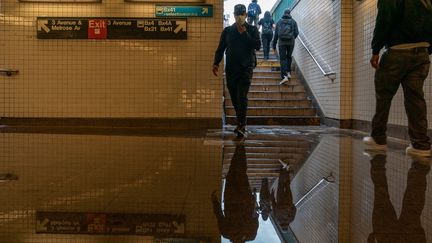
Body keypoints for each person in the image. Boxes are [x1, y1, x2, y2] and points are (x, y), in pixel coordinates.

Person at [363, 0, 432, 157]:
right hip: (421, 53)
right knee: (416, 99)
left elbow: (384, 20)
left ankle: (378, 138)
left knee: (384, 96)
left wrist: (375, 50)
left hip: (397, 51)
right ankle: (421, 145)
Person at [213, 4, 261, 138]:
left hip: (246, 69)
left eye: (242, 14)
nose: (239, 16)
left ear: (246, 15)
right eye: (237, 14)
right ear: (234, 15)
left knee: (242, 96)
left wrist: (244, 34)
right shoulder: (227, 31)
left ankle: (241, 125)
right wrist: (216, 62)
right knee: (234, 97)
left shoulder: (252, 29)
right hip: (231, 70)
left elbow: (257, 45)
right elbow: (221, 47)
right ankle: (240, 121)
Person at [365, 151, 429, 242]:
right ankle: (377, 152)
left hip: (401, 238)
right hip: (387, 237)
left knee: (412, 205)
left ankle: (421, 160)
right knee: (381, 193)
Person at [211, 144, 259, 243]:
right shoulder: (226, 233)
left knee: (242, 173)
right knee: (232, 173)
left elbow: (255, 217)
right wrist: (215, 201)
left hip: (245, 198)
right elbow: (219, 214)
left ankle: (241, 146)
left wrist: (253, 199)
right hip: (230, 197)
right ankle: (239, 146)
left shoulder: (251, 235)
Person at [272, 9, 299, 85]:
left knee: (283, 59)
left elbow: (276, 35)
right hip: (291, 42)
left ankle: (284, 76)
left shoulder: (279, 22)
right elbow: (297, 32)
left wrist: (274, 45)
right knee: (289, 57)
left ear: (284, 13)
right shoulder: (293, 22)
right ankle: (288, 72)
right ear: (290, 13)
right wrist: (292, 38)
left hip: (282, 43)